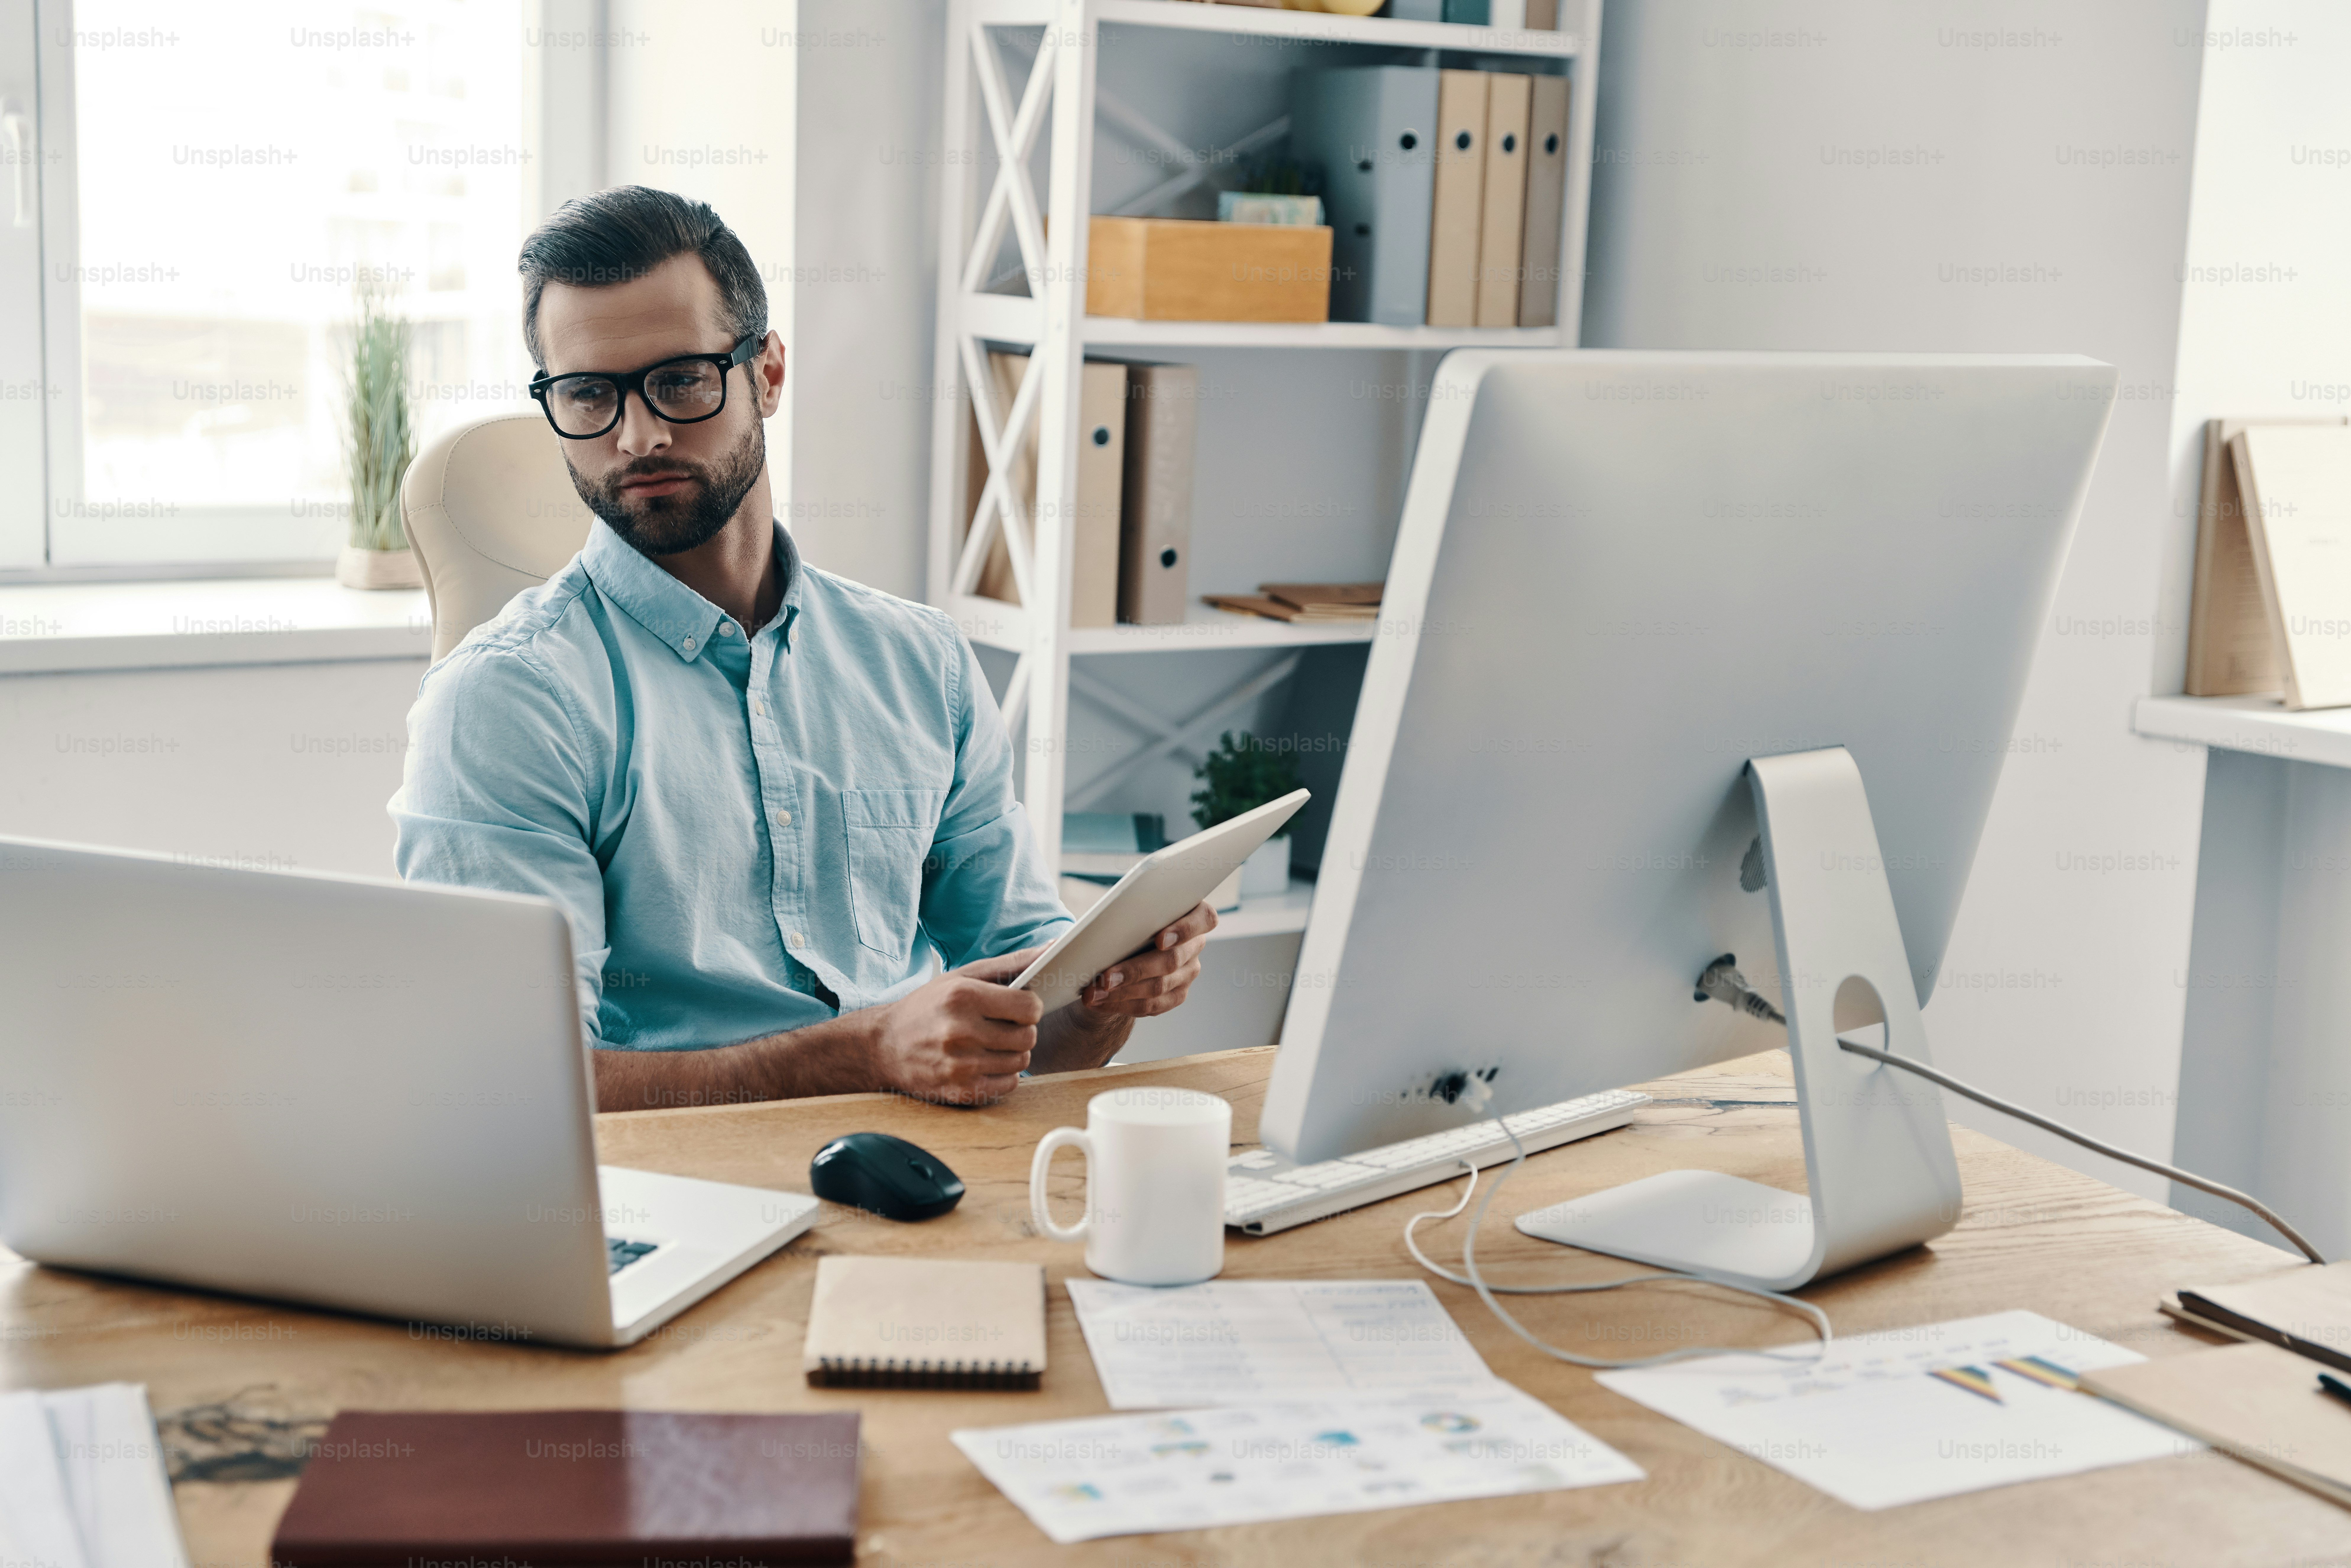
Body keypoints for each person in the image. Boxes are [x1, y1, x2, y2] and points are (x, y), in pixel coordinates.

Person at [390, 186, 1213, 1110]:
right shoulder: (507, 702)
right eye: (588, 394)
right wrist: (866, 1052)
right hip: (684, 1200)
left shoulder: (922, 665)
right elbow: (515, 1086)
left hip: (927, 1166)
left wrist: (1108, 995)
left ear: (768, 373)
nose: (640, 435)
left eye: (682, 380)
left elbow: (1041, 1030)